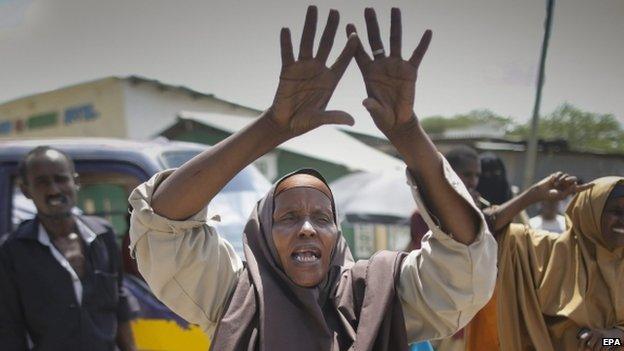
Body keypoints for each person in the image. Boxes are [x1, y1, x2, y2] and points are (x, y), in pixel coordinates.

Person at [128, 6, 497, 350]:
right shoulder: (233, 294)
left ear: (337, 236)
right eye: (288, 217)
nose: (307, 228)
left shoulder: (380, 295)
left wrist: (407, 133)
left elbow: (462, 260)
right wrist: (271, 127)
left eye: (322, 218)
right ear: (263, 238)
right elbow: (162, 224)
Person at [0, 146, 136, 350]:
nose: (54, 190)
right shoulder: (12, 250)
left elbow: (119, 303)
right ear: (27, 190)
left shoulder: (103, 235)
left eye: (61, 179)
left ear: (76, 182)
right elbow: (10, 329)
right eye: (42, 182)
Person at [473, 172, 623, 350]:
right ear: (591, 211)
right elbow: (480, 230)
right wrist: (534, 194)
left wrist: (611, 338)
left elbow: (615, 341)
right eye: (616, 212)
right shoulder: (542, 251)